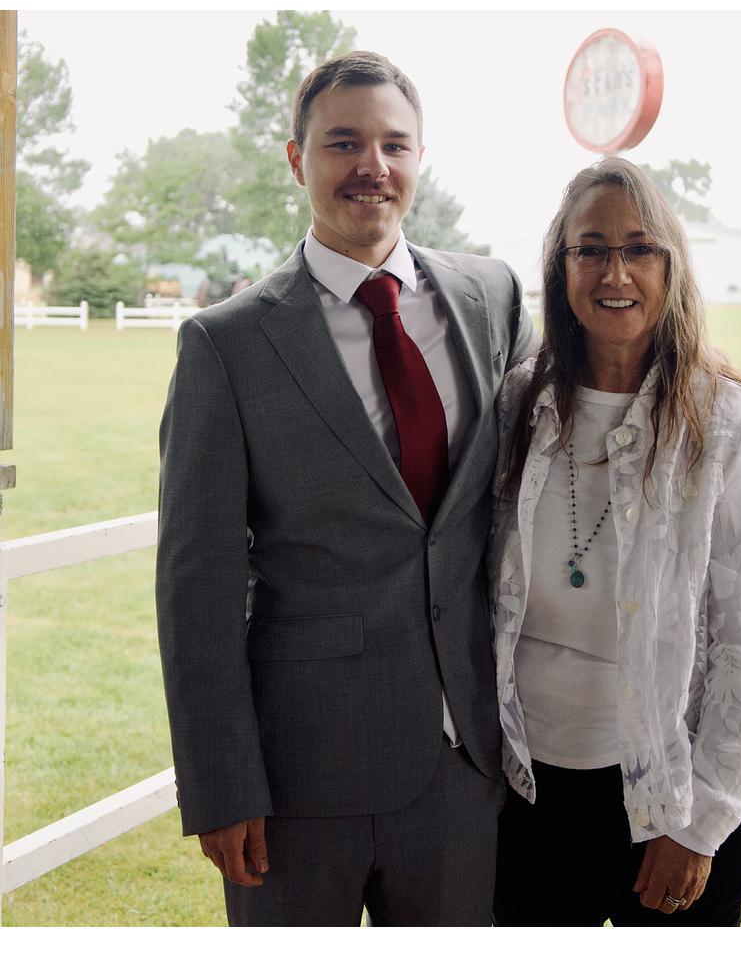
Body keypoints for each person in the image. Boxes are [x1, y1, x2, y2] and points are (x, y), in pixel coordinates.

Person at [155, 50, 535, 927]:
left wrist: (725, 391)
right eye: (344, 143)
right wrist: (221, 783)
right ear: (298, 160)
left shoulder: (492, 296)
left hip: (464, 768)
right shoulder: (225, 346)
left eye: (394, 145)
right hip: (298, 780)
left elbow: (577, 399)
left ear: (420, 157)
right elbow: (197, 584)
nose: (373, 165)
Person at [489, 156, 741, 926]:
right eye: (591, 249)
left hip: (669, 796)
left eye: (639, 249)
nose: (614, 272)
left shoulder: (723, 421)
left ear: (670, 265)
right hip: (530, 793)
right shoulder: (519, 403)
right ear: (562, 267)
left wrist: (699, 824)